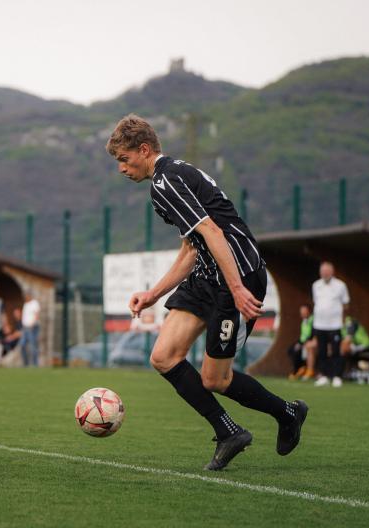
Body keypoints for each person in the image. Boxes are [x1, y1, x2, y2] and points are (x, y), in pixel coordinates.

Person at [106, 114, 306, 471]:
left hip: (239, 273)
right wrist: (153, 294)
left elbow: (213, 232)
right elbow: (193, 248)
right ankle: (228, 432)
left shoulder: (166, 181)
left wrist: (237, 289)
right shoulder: (167, 181)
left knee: (215, 379)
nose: (121, 168)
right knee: (164, 357)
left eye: (124, 158)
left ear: (145, 149)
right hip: (207, 275)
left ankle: (288, 413)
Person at [312, 261, 350, 388]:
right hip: (319, 324)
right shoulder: (315, 285)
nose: (325, 273)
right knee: (321, 351)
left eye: (327, 271)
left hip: (335, 325)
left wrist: (342, 321)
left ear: (332, 272)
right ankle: (323, 375)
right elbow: (316, 302)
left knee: (336, 351)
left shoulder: (341, 285)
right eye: (322, 271)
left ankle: (337, 376)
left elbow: (346, 304)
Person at [287, 304, 316, 379]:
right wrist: (300, 342)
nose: (302, 313)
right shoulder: (304, 321)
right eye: (301, 312)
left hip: (308, 341)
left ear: (309, 311)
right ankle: (301, 368)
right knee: (290, 350)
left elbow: (312, 333)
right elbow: (303, 334)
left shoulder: (313, 320)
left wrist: (302, 343)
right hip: (302, 341)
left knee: (297, 351)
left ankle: (299, 370)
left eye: (304, 311)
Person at [20, 293, 41, 366]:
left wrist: (33, 323)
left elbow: (37, 314)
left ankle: (35, 364)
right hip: (25, 328)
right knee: (22, 345)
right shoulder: (25, 304)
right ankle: (26, 364)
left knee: (33, 346)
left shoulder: (34, 303)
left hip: (32, 327)